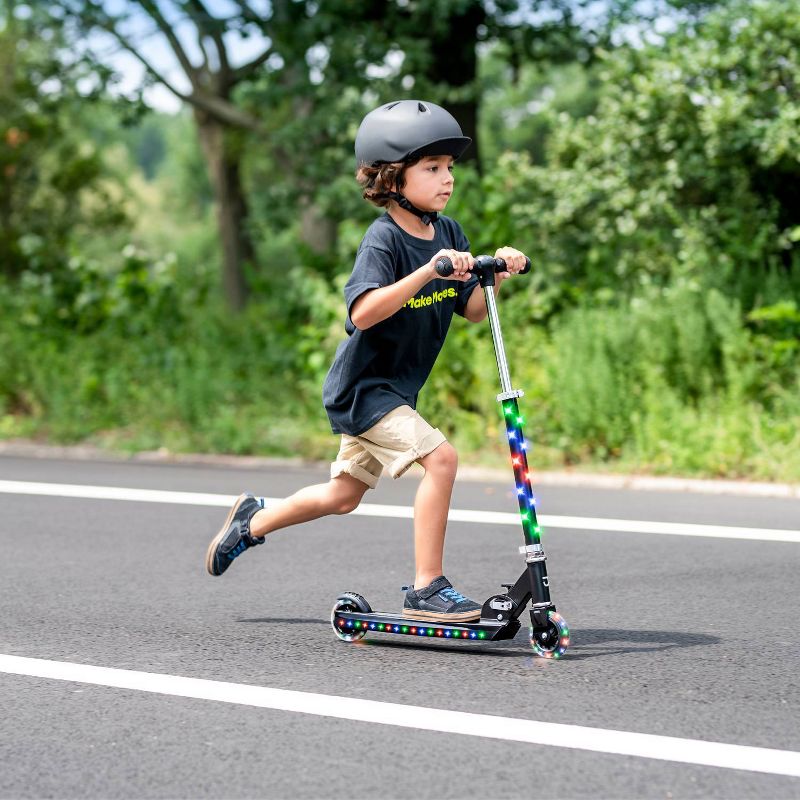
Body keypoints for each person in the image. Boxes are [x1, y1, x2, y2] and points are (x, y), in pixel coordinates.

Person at [205, 99, 528, 622]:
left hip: (397, 390)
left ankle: (253, 521)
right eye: (432, 168)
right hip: (364, 389)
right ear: (393, 177)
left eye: (449, 168)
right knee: (441, 459)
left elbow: (469, 309)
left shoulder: (449, 235)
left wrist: (497, 273)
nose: (447, 179)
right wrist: (428, 273)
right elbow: (364, 310)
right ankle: (428, 586)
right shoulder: (384, 240)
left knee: (343, 495)